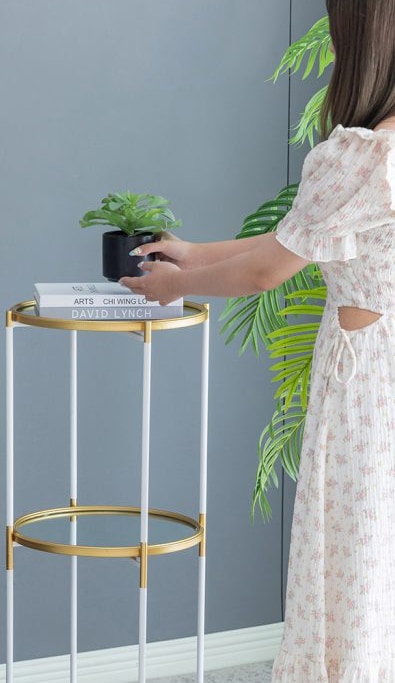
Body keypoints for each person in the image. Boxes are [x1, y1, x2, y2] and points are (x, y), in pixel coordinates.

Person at [120, 1, 395, 680]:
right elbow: (294, 238)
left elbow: (267, 270)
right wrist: (194, 254)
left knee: (352, 551)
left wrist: (174, 284)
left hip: (367, 385)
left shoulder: (362, 155)